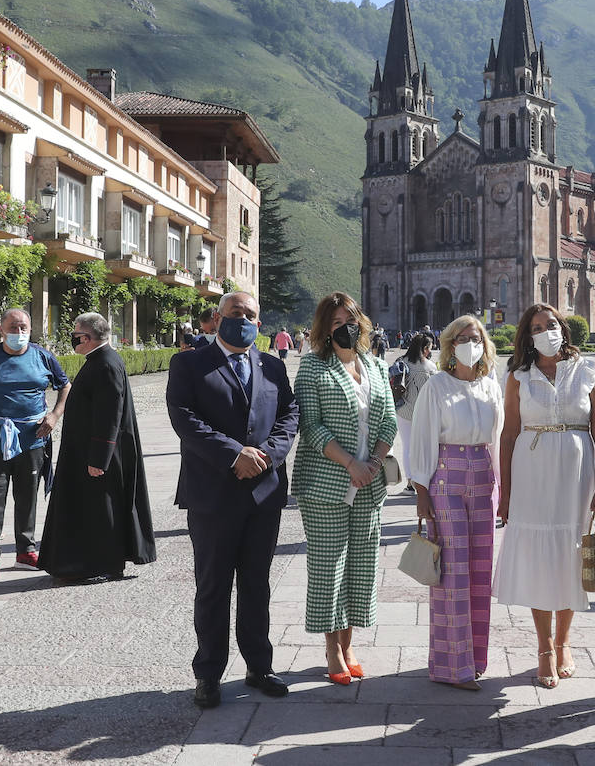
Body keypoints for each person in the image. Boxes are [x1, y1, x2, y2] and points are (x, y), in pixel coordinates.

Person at [167, 291, 298, 709]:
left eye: (250, 315)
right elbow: (183, 417)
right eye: (235, 312)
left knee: (257, 586)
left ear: (260, 324)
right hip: (213, 493)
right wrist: (233, 455)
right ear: (217, 318)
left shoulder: (273, 367)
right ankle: (208, 673)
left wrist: (267, 457)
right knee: (213, 586)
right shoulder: (188, 363)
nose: (242, 319)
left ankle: (259, 666)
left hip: (263, 493)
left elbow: (289, 416)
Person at [493, 303, 595, 689]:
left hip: (575, 477)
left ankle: (564, 642)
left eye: (552, 324)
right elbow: (509, 434)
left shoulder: (588, 370)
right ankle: (544, 647)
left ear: (563, 328)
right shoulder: (518, 376)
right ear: (528, 336)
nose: (547, 331)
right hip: (532, 475)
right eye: (538, 327)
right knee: (539, 560)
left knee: (569, 557)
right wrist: (505, 493)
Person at [291, 291, 396, 685]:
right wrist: (350, 463)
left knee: (361, 567)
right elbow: (312, 426)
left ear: (361, 323)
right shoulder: (313, 369)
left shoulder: (374, 365)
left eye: (350, 320)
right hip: (326, 483)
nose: (345, 328)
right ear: (324, 327)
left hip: (369, 484)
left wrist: (371, 463)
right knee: (327, 567)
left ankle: (349, 642)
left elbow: (388, 419)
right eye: (336, 323)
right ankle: (332, 647)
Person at [407, 316, 504, 689]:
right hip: (446, 478)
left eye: (475, 337)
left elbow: (497, 438)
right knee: (451, 574)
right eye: (462, 337)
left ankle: (475, 657)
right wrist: (422, 492)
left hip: (483, 477)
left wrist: (503, 490)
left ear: (484, 343)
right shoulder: (437, 386)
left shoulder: (490, 385)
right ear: (450, 344)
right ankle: (451, 666)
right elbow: (423, 438)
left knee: (480, 572)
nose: (469, 343)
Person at [38, 312, 156, 583]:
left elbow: (109, 414)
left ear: (88, 337)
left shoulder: (105, 364)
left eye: (76, 335)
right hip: (87, 451)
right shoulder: (99, 360)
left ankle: (105, 564)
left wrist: (99, 458)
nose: (74, 339)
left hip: (101, 454)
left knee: (102, 509)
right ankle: (86, 562)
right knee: (92, 508)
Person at [0, 309, 70, 583]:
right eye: (13, 327)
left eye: (24, 328)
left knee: (28, 495)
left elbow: (65, 386)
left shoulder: (43, 356)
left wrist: (54, 415)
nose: (19, 333)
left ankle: (25, 552)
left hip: (33, 437)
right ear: (1, 329)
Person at [394, 333, 438, 480]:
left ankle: (410, 482)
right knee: (424, 448)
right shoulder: (430, 367)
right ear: (425, 349)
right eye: (430, 348)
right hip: (424, 413)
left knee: (407, 447)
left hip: (403, 410)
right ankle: (424, 478)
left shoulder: (400, 362)